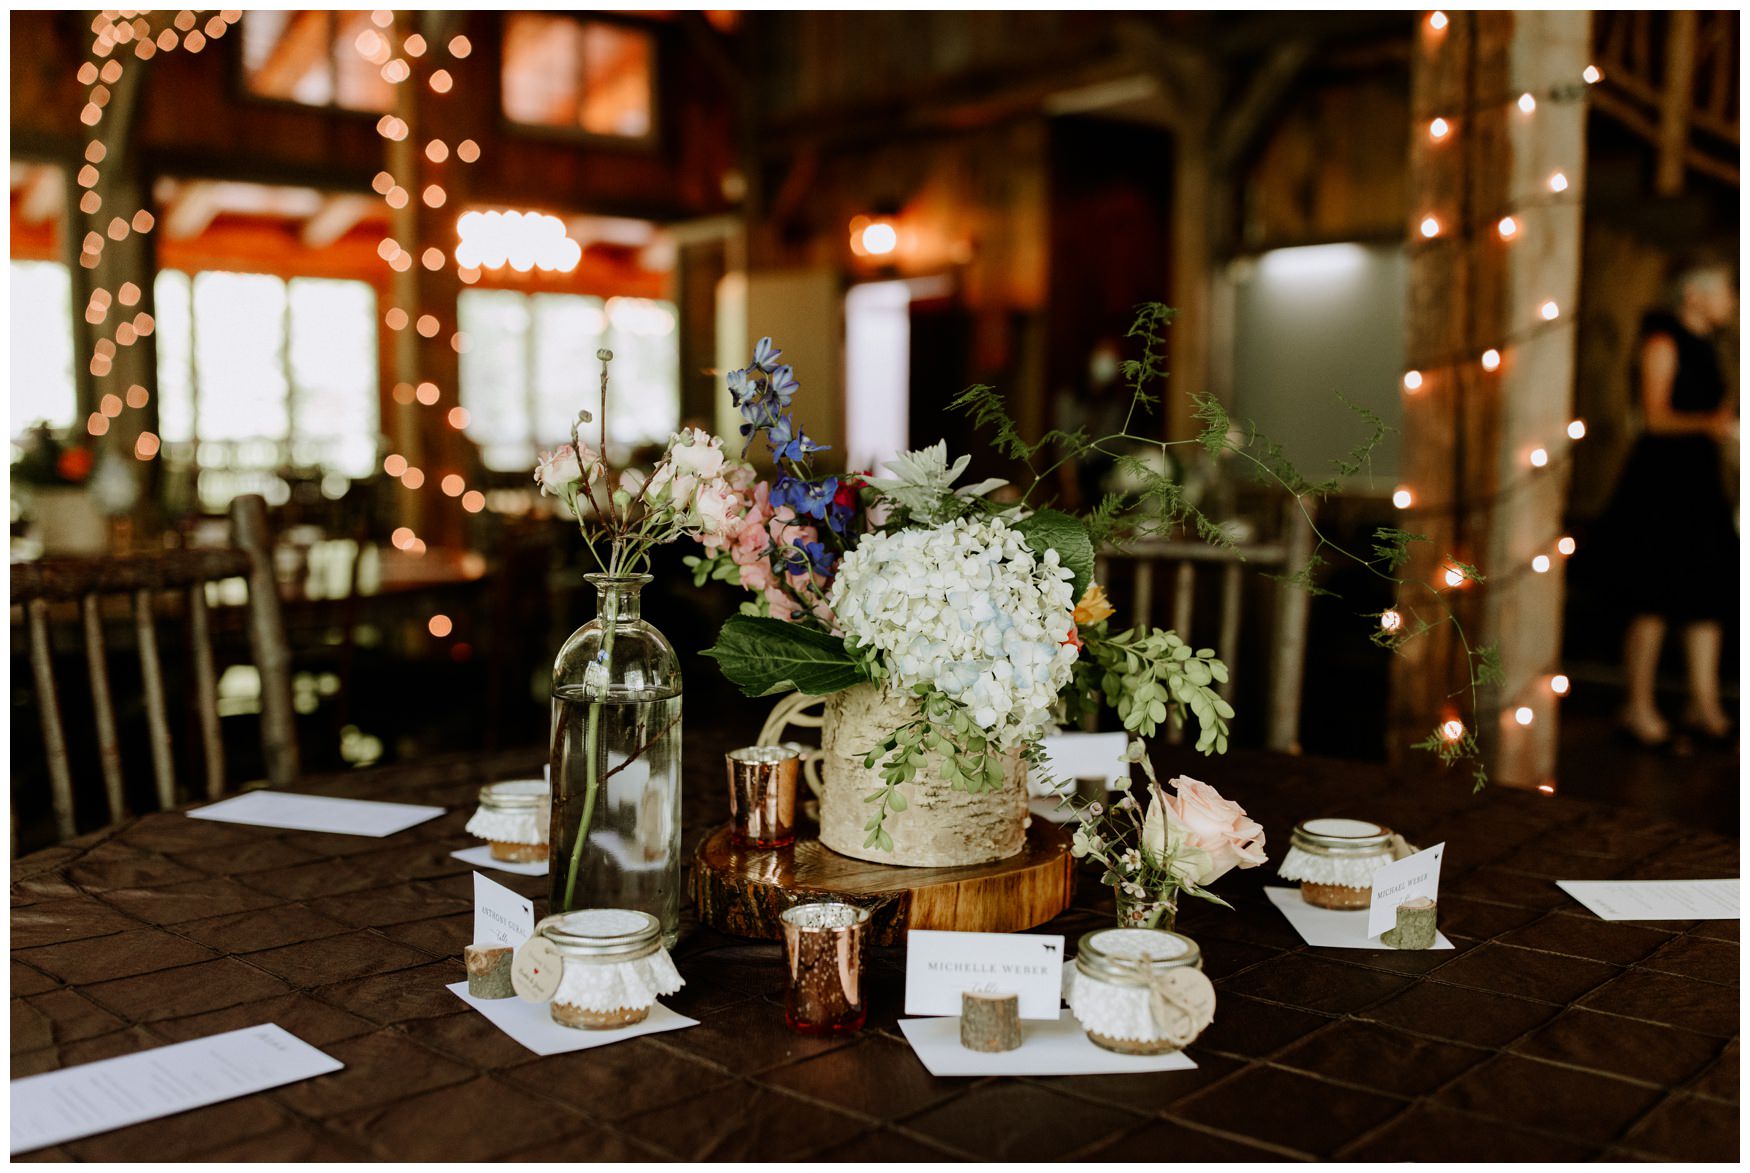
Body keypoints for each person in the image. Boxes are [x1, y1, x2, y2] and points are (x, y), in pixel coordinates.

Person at [1599, 261, 1739, 748]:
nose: (1734, 300)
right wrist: (1711, 425)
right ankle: (1637, 706)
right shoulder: (1661, 342)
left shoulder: (1711, 347)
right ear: (1695, 295)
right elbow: (1654, 419)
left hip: (1701, 482)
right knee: (1652, 594)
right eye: (1727, 289)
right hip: (1662, 483)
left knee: (1708, 593)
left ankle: (1704, 703)